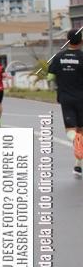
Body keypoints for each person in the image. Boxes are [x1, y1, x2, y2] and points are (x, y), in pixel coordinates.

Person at [48, 29, 83, 177]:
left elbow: (50, 77)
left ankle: (78, 158)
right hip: (81, 99)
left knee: (71, 131)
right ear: (81, 41)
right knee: (80, 130)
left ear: (67, 40)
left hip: (65, 99)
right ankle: (78, 162)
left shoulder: (58, 57)